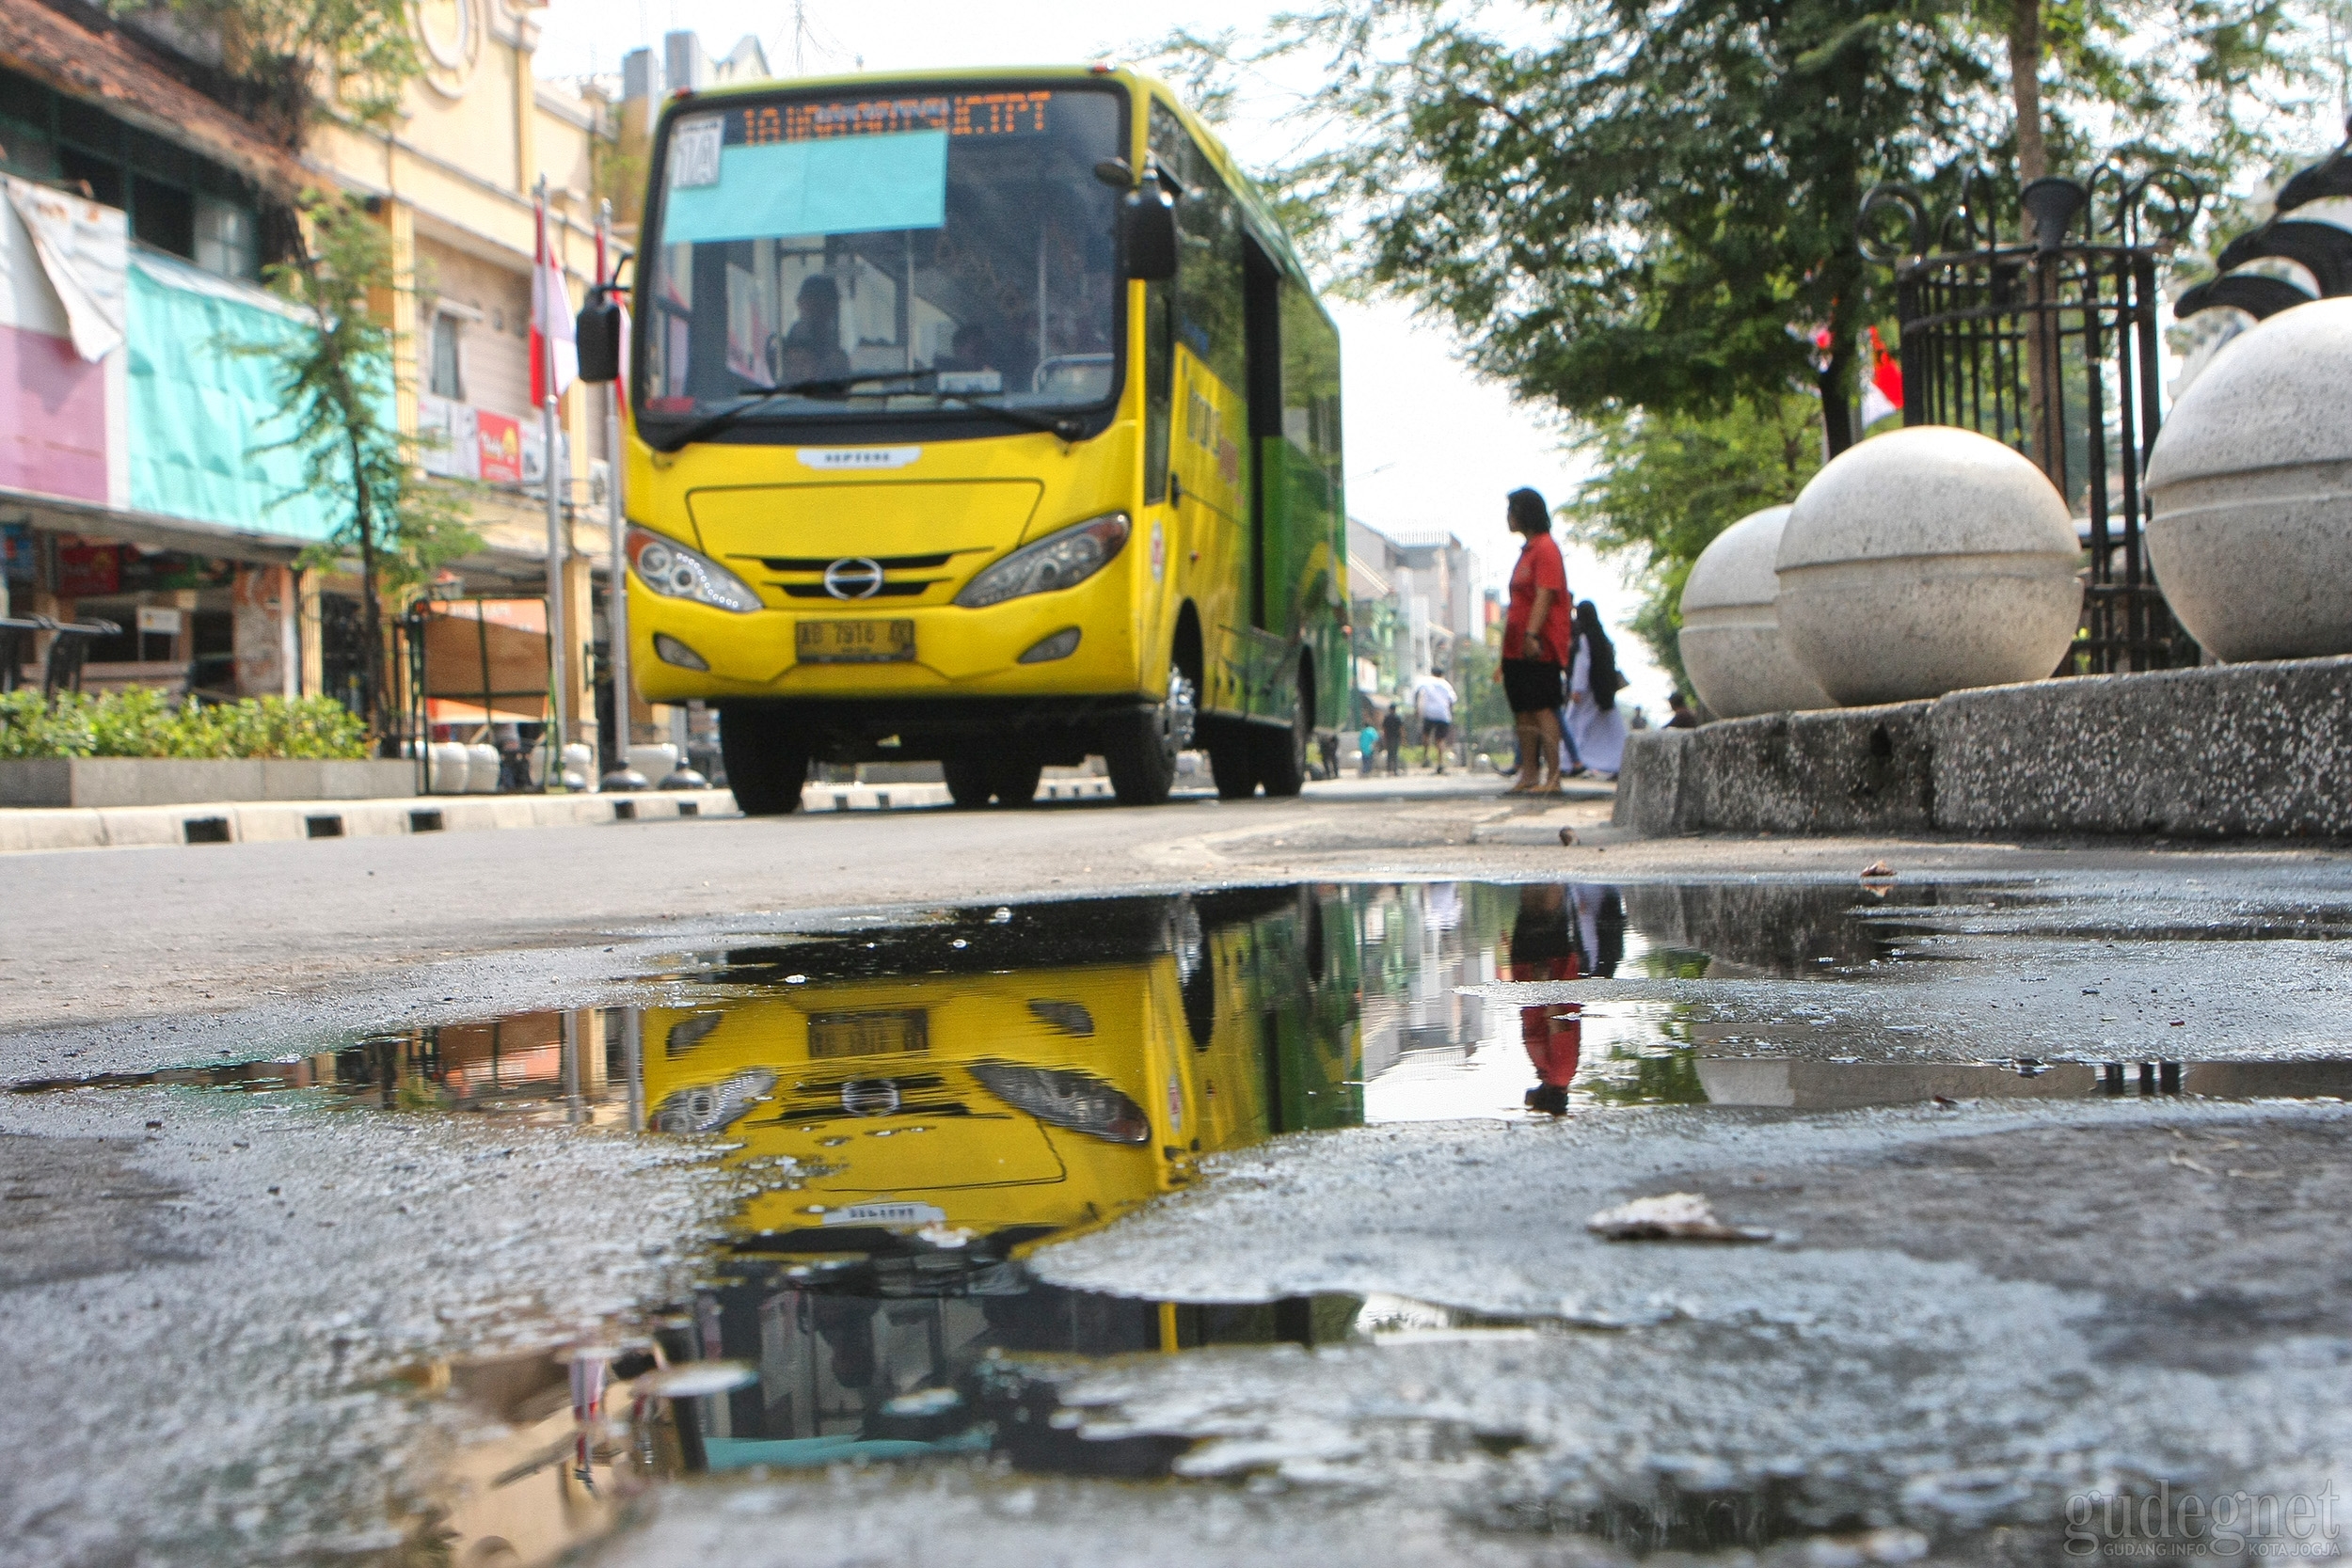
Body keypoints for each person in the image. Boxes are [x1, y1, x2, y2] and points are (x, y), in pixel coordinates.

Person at [1499, 486, 1570, 794]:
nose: (1508, 517)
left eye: (1512, 510)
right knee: (1523, 710)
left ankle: (1553, 777)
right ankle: (1529, 774)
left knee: (1543, 707)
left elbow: (1544, 595)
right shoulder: (1528, 551)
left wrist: (1531, 634)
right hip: (1514, 647)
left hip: (1537, 645)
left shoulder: (1546, 549)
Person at [1507, 883, 1581, 1116]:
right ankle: (1551, 867)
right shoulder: (1560, 1072)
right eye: (1535, 1108)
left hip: (1531, 971)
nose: (1530, 1104)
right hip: (1549, 967)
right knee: (1547, 909)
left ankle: (1536, 868)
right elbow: (1557, 1022)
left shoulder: (1549, 1073)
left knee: (1531, 910)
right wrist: (1544, 984)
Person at [1565, 600, 1629, 778]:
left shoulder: (1585, 638)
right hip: (1602, 691)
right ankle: (1616, 761)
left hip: (1587, 692)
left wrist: (1577, 689)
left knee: (1576, 725)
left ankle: (1573, 761)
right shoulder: (1602, 638)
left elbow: (1582, 665)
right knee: (1610, 728)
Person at [781, 275, 851, 385]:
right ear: (800, 303)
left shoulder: (835, 347)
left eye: (828, 302)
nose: (821, 309)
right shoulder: (793, 348)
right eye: (814, 302)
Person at [1412, 666, 1458, 774]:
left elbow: (1417, 692)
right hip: (1443, 714)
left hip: (1429, 713)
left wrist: (1417, 708)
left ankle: (1426, 757)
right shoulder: (1446, 684)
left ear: (1432, 673)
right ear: (1442, 674)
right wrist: (1448, 710)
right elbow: (1452, 700)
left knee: (1426, 735)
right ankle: (1440, 763)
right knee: (1440, 740)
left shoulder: (1426, 681)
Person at [1381, 704, 1404, 776]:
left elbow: (1384, 729)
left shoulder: (1387, 718)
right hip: (1396, 738)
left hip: (1388, 738)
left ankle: (1389, 770)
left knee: (1389, 754)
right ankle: (1395, 770)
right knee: (1395, 754)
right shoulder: (1397, 718)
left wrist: (1384, 738)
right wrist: (1403, 738)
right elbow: (1401, 729)